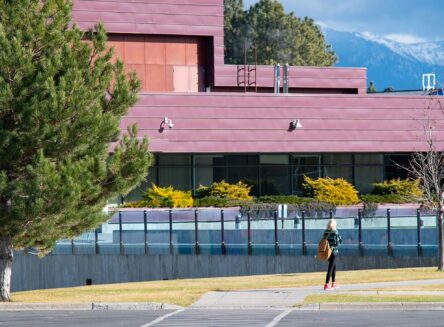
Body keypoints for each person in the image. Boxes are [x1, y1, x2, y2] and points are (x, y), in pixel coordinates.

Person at [323, 218, 342, 291]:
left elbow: (324, 240)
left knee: (333, 266)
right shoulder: (335, 232)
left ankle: (333, 283)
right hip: (333, 251)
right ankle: (326, 284)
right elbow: (339, 242)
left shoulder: (325, 232)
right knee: (330, 267)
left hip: (327, 251)